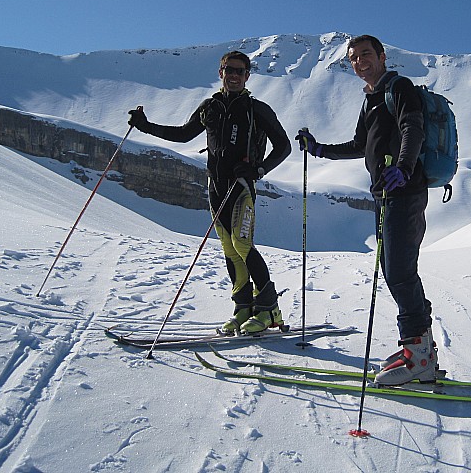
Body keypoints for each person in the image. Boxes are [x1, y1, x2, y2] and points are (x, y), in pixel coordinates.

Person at [296, 35, 436, 385]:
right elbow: (361, 145)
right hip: (383, 195)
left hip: (404, 192)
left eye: (366, 55)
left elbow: (412, 128)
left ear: (382, 56)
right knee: (393, 272)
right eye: (354, 58)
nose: (360, 62)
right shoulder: (371, 99)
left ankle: (419, 357)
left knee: (401, 273)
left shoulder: (399, 88)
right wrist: (320, 149)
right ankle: (418, 348)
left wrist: (403, 168)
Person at [128, 51, 291, 335]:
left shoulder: (257, 109)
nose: (235, 76)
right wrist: (146, 126)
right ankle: (243, 308)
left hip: (241, 188)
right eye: (230, 70)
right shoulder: (210, 107)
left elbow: (284, 146)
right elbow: (182, 134)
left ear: (248, 76)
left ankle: (268, 309)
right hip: (215, 186)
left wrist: (258, 170)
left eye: (241, 71)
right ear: (221, 73)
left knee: (243, 245)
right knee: (229, 248)